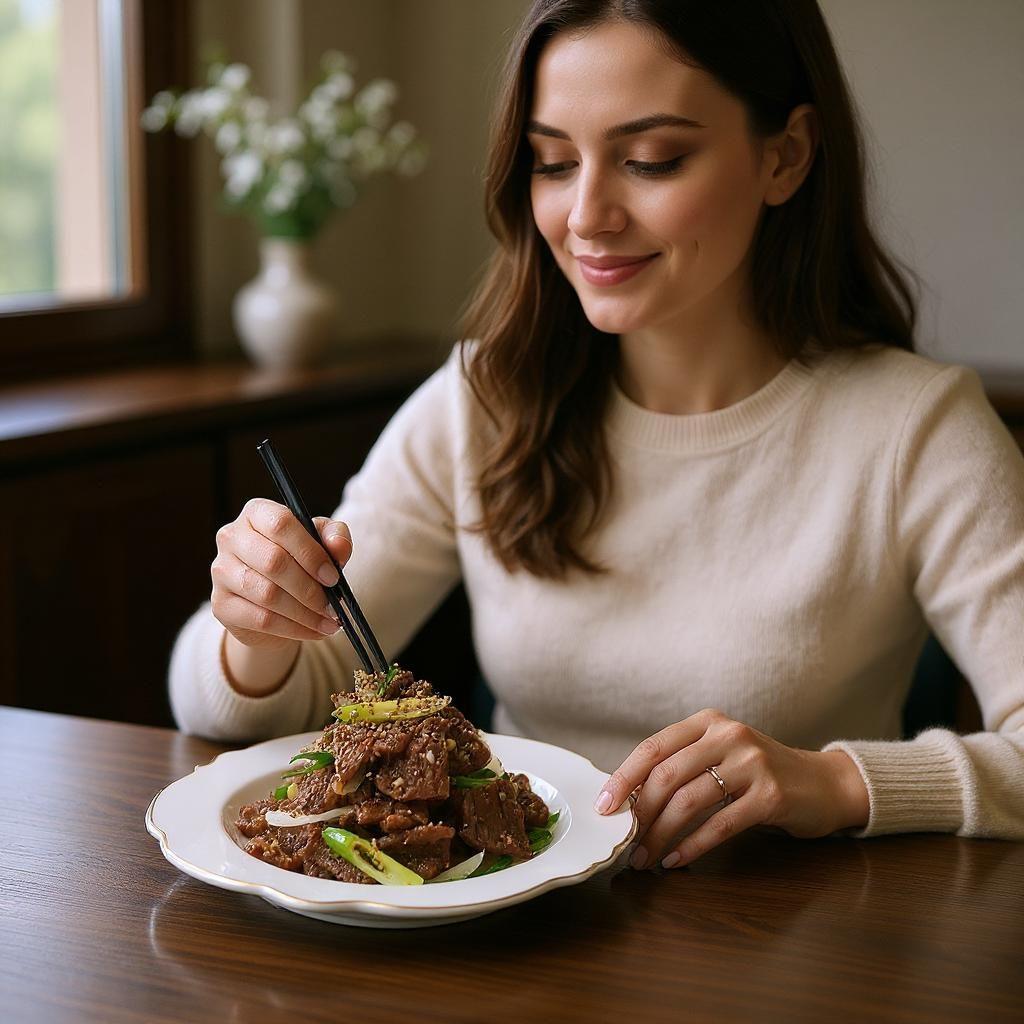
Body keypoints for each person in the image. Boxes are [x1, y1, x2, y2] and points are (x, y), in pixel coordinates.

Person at [170, 0, 1024, 872]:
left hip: (790, 946)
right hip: (508, 943)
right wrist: (259, 635)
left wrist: (834, 784)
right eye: (551, 163)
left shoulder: (917, 429)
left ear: (786, 155)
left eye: (652, 160)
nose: (586, 216)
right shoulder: (483, 401)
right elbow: (228, 704)